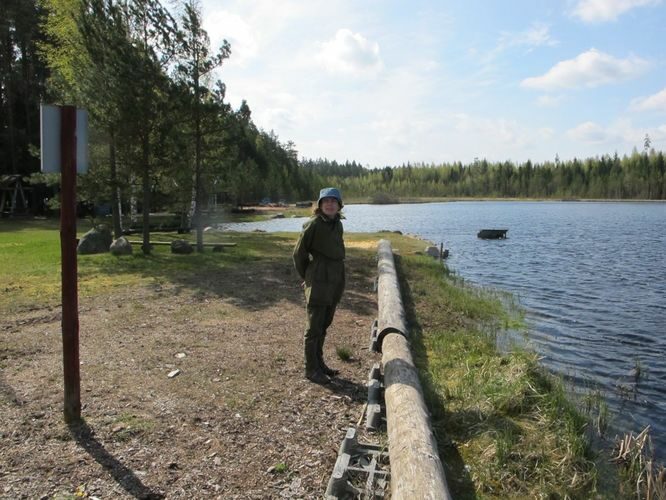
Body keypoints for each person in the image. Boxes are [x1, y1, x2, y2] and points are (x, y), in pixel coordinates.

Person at [293, 187, 346, 384]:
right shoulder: (313, 225)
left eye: (334, 201)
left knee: (324, 324)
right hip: (318, 281)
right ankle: (311, 369)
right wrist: (308, 277)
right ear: (320, 205)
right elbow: (298, 254)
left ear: (339, 205)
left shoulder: (337, 224)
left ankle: (319, 364)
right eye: (326, 201)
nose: (330, 204)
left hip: (335, 281)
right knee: (313, 328)